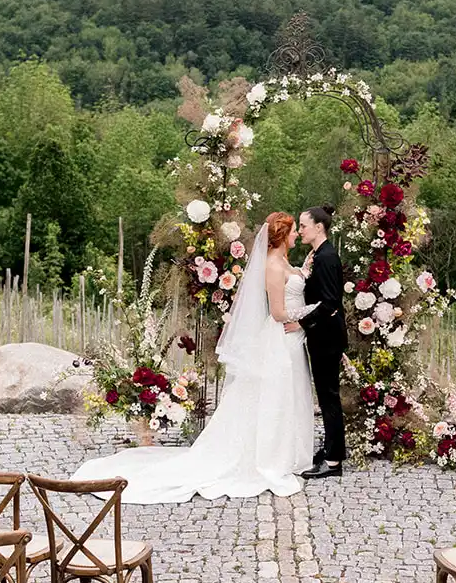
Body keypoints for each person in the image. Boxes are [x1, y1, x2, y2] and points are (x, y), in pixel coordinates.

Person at [71, 212, 316, 504]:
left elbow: (293, 286)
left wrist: (304, 271)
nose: (297, 235)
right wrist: (310, 315)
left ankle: (282, 450)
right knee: (271, 397)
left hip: (289, 340)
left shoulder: (284, 262)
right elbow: (277, 312)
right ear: (281, 235)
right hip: (279, 338)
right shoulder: (273, 267)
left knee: (281, 397)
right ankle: (267, 455)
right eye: (293, 232)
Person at [298, 205, 345, 478]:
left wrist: (301, 322)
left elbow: (329, 302)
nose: (300, 230)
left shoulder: (326, 257)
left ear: (319, 227)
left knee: (329, 398)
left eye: (303, 225)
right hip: (321, 335)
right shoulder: (317, 255)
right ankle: (330, 449)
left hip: (326, 337)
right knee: (326, 396)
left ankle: (334, 461)